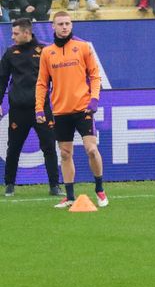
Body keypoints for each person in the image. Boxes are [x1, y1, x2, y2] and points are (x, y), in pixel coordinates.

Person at [34, 11, 105, 209]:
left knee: (91, 149)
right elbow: (41, 83)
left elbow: (95, 75)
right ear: (53, 27)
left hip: (83, 108)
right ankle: (70, 196)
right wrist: (39, 108)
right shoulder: (47, 53)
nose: (64, 27)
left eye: (67, 23)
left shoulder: (82, 48)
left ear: (71, 26)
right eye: (61, 24)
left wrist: (94, 98)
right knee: (65, 154)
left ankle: (99, 189)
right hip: (60, 111)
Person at [0, 18, 60, 196]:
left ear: (27, 33)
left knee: (49, 146)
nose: (12, 37)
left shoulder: (45, 51)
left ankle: (54, 186)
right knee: (14, 147)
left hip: (41, 108)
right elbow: (2, 79)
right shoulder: (10, 53)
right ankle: (9, 185)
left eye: (16, 33)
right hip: (18, 110)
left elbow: (56, 78)